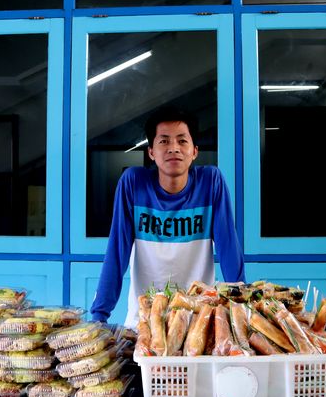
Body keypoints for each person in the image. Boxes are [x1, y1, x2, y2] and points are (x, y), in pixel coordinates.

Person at [90, 106, 244, 326]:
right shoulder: (133, 183)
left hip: (197, 322)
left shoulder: (211, 182)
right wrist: (99, 316)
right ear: (151, 152)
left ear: (194, 151)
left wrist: (242, 309)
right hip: (144, 323)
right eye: (164, 141)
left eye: (182, 141)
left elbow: (229, 249)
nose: (174, 148)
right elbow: (117, 252)